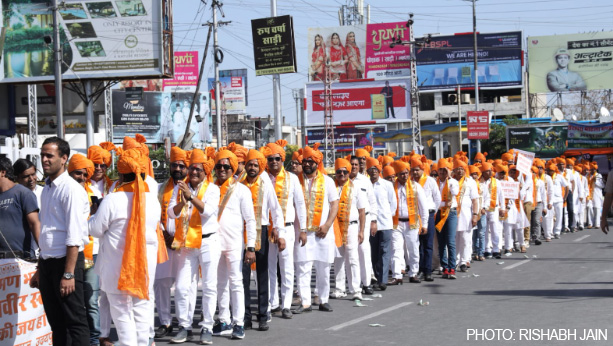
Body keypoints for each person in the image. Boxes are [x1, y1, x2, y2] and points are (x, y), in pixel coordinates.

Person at [89, 148, 161, 346]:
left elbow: (95, 230)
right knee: (141, 309)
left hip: (116, 267)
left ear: (121, 174)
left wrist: (94, 214)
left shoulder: (113, 199)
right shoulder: (152, 201)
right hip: (145, 266)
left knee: (121, 312)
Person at [30, 136, 90, 346]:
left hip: (66, 263)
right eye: (42, 155)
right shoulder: (47, 188)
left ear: (64, 158)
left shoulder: (71, 189)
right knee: (56, 323)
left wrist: (68, 273)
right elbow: (47, 230)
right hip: (48, 263)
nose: (44, 160)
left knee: (75, 322)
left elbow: (74, 235)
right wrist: (40, 268)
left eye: (50, 156)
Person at [167, 148, 220, 344]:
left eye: (198, 169)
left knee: (209, 286)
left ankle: (206, 326)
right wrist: (181, 202)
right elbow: (171, 214)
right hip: (187, 243)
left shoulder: (213, 189)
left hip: (208, 241)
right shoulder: (179, 187)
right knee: (181, 287)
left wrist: (190, 196)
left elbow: (207, 212)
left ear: (205, 171)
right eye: (192, 169)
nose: (194, 172)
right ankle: (184, 326)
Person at [212, 149, 255, 340]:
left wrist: (251, 247)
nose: (222, 169)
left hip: (234, 244)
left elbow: (250, 220)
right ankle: (224, 321)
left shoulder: (241, 189)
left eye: (226, 166)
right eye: (219, 166)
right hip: (213, 244)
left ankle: (238, 323)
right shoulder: (210, 188)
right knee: (219, 283)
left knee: (236, 283)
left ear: (233, 168)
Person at [239, 149, 284, 331]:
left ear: (260, 167)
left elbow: (276, 210)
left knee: (262, 274)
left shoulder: (265, 185)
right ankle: (246, 316)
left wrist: (279, 232)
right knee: (243, 277)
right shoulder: (238, 185)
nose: (252, 167)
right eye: (249, 164)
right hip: (242, 233)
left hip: (262, 231)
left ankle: (263, 315)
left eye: (255, 165)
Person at [262, 140, 307, 320]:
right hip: (267, 229)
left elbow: (300, 205)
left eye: (277, 158)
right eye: (270, 158)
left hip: (287, 229)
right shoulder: (262, 178)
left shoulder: (292, 178)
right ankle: (273, 303)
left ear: (283, 160)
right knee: (270, 267)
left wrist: (302, 229)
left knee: (287, 267)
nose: (274, 161)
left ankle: (286, 304)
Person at [293, 143, 339, 313]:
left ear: (317, 163)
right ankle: (305, 302)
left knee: (324, 268)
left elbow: (334, 204)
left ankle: (323, 299)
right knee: (303, 267)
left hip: (323, 233)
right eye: (304, 161)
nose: (306, 164)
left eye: (310, 161)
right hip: (303, 232)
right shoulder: (295, 181)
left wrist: (327, 225)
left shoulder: (327, 181)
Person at [67, 153, 102, 346]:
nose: (81, 177)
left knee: (91, 301)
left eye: (83, 174)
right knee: (74, 301)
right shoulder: (64, 192)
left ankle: (94, 339)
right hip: (71, 253)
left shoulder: (93, 191)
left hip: (92, 252)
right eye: (76, 174)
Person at [154, 147, 188, 339]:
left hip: (186, 244)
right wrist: (164, 233)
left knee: (185, 286)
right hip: (165, 242)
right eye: (174, 164)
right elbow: (156, 214)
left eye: (181, 165)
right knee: (161, 283)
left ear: (187, 168)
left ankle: (185, 322)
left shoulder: (193, 187)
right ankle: (165, 321)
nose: (177, 168)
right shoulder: (160, 188)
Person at [331, 158, 367, 300]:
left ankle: (356, 290)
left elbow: (362, 211)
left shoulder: (355, 187)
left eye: (345, 172)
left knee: (352, 258)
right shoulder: (331, 187)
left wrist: (362, 230)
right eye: (339, 172)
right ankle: (340, 288)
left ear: (348, 172)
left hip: (352, 226)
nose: (342, 174)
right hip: (335, 227)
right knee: (338, 258)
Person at [389, 160, 428, 284]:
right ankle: (397, 275)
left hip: (412, 223)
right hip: (396, 223)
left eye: (406, 173)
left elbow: (423, 207)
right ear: (397, 174)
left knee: (413, 248)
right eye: (401, 174)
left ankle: (413, 273)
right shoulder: (391, 187)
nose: (404, 176)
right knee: (396, 249)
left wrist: (425, 224)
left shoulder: (416, 187)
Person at [0, 157, 40, 259]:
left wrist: (44, 254)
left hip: (21, 259)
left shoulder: (23, 193)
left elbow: (34, 223)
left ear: (2, 172)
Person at [366, 157, 396, 290]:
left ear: (379, 170)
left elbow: (393, 204)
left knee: (384, 251)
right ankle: (378, 278)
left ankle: (383, 281)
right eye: (371, 169)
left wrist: (388, 216)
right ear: (367, 171)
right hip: (370, 225)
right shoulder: (365, 185)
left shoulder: (387, 185)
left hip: (385, 223)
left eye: (376, 169)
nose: (373, 172)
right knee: (374, 253)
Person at [411, 156, 440, 282]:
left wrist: (433, 212)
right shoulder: (410, 182)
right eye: (413, 170)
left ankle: (427, 271)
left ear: (423, 170)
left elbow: (437, 199)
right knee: (417, 244)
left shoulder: (430, 181)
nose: (415, 172)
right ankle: (420, 270)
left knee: (428, 244)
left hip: (428, 214)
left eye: (417, 170)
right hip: (415, 216)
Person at [451, 159, 479, 272]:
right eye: (458, 169)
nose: (460, 171)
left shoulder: (470, 182)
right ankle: (455, 261)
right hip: (452, 213)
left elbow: (475, 200)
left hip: (466, 214)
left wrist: (475, 215)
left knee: (465, 238)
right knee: (454, 238)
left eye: (462, 169)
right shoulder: (451, 181)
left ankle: (463, 261)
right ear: (454, 170)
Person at [434, 159, 459, 279]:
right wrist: (443, 204)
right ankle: (444, 267)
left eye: (445, 170)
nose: (442, 172)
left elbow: (455, 192)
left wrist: (449, 179)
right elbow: (435, 201)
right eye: (440, 170)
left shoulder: (453, 182)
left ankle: (452, 267)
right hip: (439, 213)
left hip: (450, 213)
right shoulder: (435, 182)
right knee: (441, 242)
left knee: (450, 241)